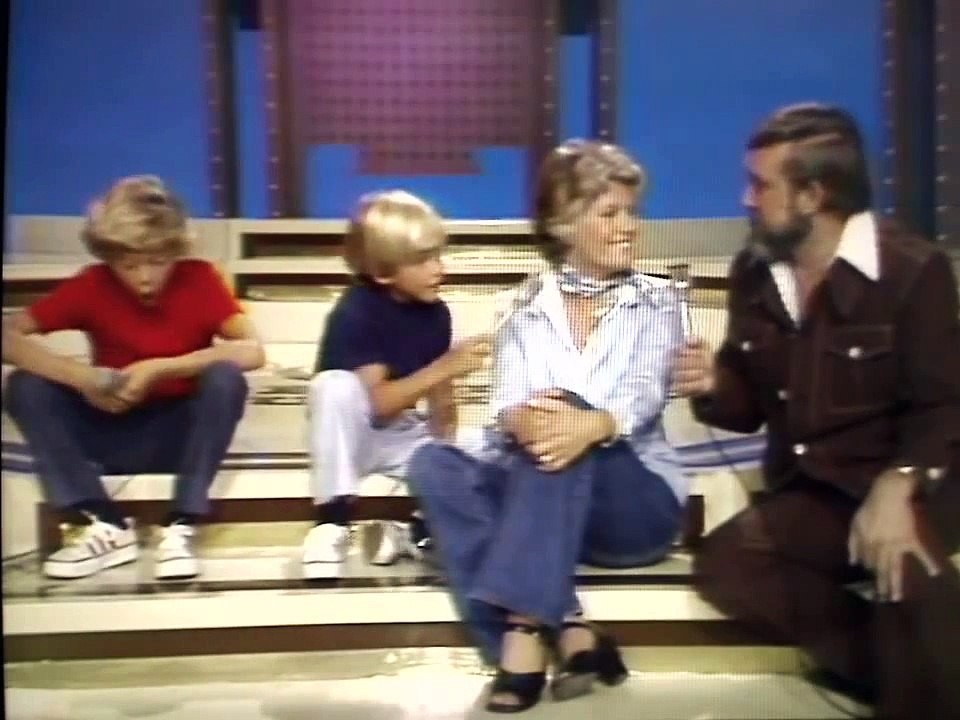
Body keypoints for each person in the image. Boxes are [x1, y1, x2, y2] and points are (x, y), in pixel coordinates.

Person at [672, 103, 960, 720]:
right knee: (728, 564)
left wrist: (899, 485)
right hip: (817, 490)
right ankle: (891, 670)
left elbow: (943, 409)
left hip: (913, 483)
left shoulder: (914, 271)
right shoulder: (754, 273)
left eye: (760, 185)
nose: (745, 199)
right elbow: (746, 409)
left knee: (904, 571)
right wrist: (712, 384)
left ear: (813, 195)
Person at [407, 140, 689, 713]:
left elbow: (643, 393)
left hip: (633, 506)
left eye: (632, 212)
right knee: (432, 463)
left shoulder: (660, 301)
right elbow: (507, 407)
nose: (629, 227)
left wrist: (591, 424)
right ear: (563, 224)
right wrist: (524, 418)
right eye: (610, 213)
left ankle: (525, 632)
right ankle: (573, 627)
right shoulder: (521, 306)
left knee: (563, 419)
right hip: (548, 496)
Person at [3, 176, 264, 581]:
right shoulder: (92, 284)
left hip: (181, 433)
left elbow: (252, 350)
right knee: (25, 386)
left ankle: (181, 525)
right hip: (111, 427)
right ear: (110, 258)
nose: (144, 277)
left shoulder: (198, 278)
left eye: (157, 262)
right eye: (129, 265)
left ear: (174, 252)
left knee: (226, 378)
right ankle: (102, 523)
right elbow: (9, 336)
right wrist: (82, 378)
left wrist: (162, 367)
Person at [303, 190, 490, 575]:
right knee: (334, 386)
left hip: (400, 436)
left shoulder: (436, 314)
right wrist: (446, 367)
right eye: (423, 260)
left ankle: (414, 530)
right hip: (355, 437)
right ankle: (332, 522)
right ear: (384, 270)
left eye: (438, 255)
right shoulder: (356, 311)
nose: (439, 268)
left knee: (492, 443)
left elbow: (440, 408)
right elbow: (376, 404)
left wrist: (446, 450)